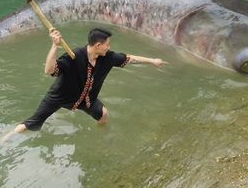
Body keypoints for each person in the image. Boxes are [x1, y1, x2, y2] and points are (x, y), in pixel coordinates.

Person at [12, 28, 166, 133]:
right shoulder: (73, 56)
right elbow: (49, 70)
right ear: (98, 45)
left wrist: (152, 61)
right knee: (28, 126)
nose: (109, 47)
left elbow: (130, 58)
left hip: (86, 99)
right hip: (60, 97)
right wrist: (54, 46)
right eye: (107, 44)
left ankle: (100, 135)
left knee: (103, 114)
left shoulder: (108, 58)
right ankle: (4, 140)